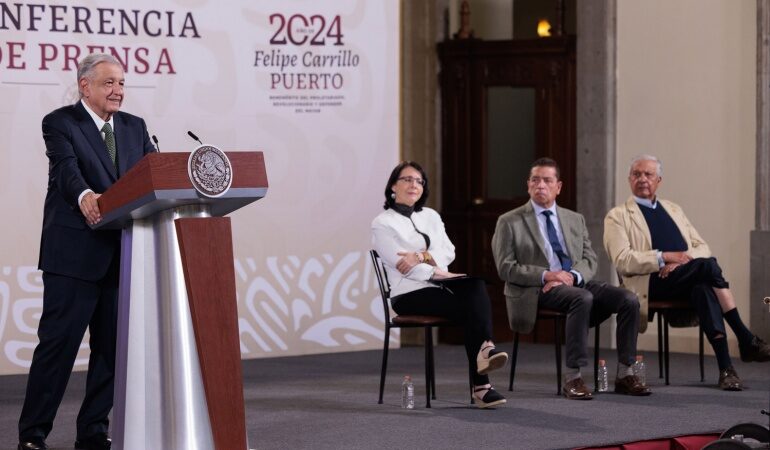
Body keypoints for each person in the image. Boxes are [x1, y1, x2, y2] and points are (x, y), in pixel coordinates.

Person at [18, 53, 155, 450]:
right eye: (109, 83)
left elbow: (151, 175)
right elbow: (65, 170)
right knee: (57, 350)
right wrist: (84, 195)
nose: (118, 91)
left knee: (111, 352)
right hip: (73, 257)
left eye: (122, 83)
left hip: (121, 255)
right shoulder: (61, 122)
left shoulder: (135, 127)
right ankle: (32, 435)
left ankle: (93, 431)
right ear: (85, 86)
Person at [604, 154, 770, 391]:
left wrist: (680, 264)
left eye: (648, 174)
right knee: (708, 266)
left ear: (658, 180)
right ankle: (745, 338)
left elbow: (701, 246)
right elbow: (623, 260)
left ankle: (726, 370)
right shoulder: (617, 216)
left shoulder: (673, 209)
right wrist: (664, 257)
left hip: (682, 277)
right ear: (629, 179)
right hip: (650, 282)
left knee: (703, 288)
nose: (642, 179)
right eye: (636, 174)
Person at [492, 157, 650, 400]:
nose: (541, 185)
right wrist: (548, 275)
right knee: (582, 298)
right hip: (538, 289)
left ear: (559, 187)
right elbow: (505, 268)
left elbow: (590, 259)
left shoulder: (574, 219)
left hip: (575, 282)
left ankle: (625, 374)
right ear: (528, 185)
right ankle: (573, 377)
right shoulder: (509, 221)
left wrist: (571, 277)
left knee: (628, 298)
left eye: (547, 180)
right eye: (535, 180)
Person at [371, 161, 509, 408]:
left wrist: (422, 256)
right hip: (408, 294)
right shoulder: (382, 223)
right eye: (407, 179)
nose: (414, 184)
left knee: (476, 287)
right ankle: (482, 384)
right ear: (393, 185)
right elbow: (400, 263)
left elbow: (449, 251)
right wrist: (436, 272)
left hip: (438, 287)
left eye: (419, 181)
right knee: (472, 307)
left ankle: (486, 351)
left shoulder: (431, 216)